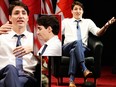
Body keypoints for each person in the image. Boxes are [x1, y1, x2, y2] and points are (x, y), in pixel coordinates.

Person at [62, 1, 116, 87]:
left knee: (74, 51)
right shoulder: (66, 21)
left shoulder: (88, 22)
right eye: (75, 9)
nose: (78, 11)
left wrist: (106, 25)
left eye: (80, 9)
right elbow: (57, 33)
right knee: (77, 42)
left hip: (82, 48)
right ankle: (84, 68)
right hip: (67, 47)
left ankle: (71, 81)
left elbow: (98, 33)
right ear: (71, 11)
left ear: (82, 11)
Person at [0, 1, 39, 87]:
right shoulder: (1, 37)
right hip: (3, 75)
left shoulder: (36, 39)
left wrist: (34, 48)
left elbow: (50, 57)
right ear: (10, 18)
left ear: (27, 17)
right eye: (16, 13)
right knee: (10, 68)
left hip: (27, 78)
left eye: (23, 13)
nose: (20, 16)